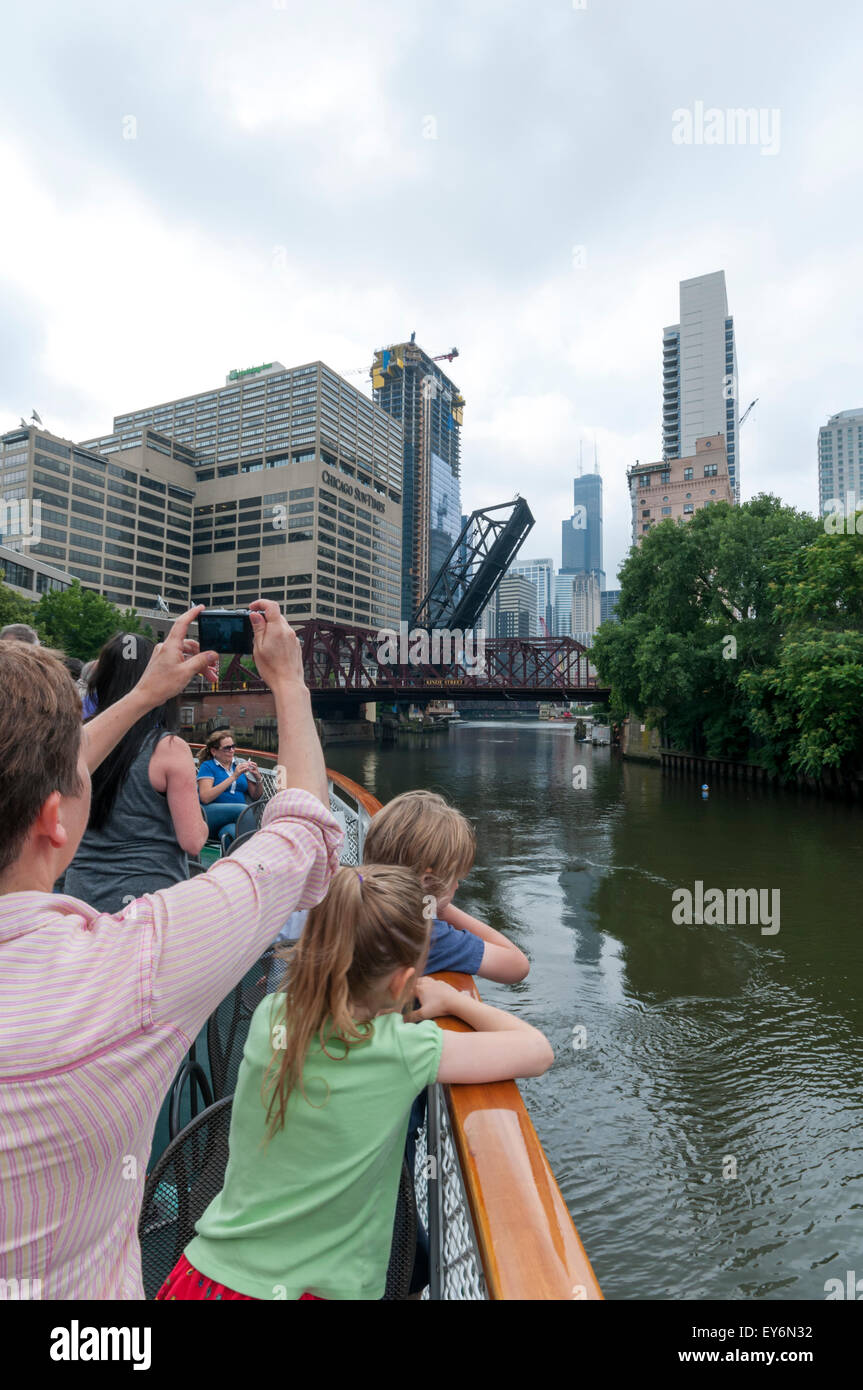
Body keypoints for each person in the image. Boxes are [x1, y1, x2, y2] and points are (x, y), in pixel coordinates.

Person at [0, 601, 343, 1299]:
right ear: (53, 818)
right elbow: (304, 836)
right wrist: (289, 683)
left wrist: (144, 694)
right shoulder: (134, 966)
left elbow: (44, 784)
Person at [156, 864, 553, 1302]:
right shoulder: (401, 1051)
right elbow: (537, 1050)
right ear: (403, 981)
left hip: (203, 1279)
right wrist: (457, 1001)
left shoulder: (272, 1013)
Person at [62, 633, 209, 913]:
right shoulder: (168, 748)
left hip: (81, 896)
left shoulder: (78, 742)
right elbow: (193, 840)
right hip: (149, 903)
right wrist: (200, 817)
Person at [362, 789, 530, 982]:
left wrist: (431, 897)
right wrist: (440, 906)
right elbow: (517, 965)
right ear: (427, 882)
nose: (457, 886)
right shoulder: (425, 936)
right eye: (454, 878)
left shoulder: (348, 896)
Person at [197, 727, 263, 846]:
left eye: (233, 746)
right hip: (210, 815)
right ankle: (257, 848)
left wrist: (258, 778)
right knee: (243, 809)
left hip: (232, 820)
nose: (232, 750)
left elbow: (255, 796)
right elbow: (205, 797)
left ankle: (232, 862)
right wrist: (233, 776)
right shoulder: (208, 766)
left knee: (230, 834)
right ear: (214, 751)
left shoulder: (238, 764)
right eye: (227, 748)